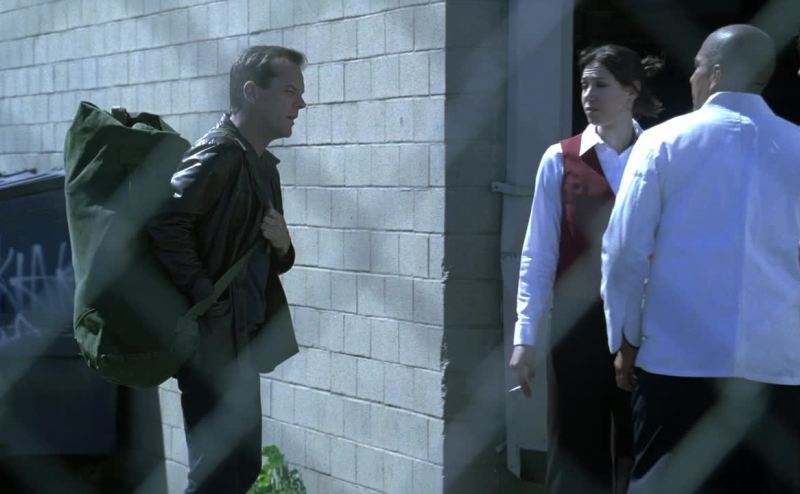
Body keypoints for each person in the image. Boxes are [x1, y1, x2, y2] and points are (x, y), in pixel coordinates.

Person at [602, 25, 800, 493]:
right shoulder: (796, 146)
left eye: (695, 67)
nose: (690, 77)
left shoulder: (662, 142)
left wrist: (625, 339)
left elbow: (624, 251)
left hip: (678, 359)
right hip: (777, 363)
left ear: (714, 73)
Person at [147, 45, 306, 493]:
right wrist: (205, 294)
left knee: (242, 470)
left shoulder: (263, 167)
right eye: (290, 91)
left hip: (241, 343)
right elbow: (164, 222)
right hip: (210, 345)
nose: (301, 104)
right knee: (215, 477)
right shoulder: (217, 153)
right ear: (251, 92)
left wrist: (284, 244)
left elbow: (272, 257)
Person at [509, 44, 663, 493]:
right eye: (583, 85)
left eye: (601, 85)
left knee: (642, 444)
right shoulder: (560, 159)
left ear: (631, 92)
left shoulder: (660, 154)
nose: (588, 95)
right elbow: (538, 253)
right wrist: (526, 337)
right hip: (578, 323)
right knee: (576, 448)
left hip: (647, 322)